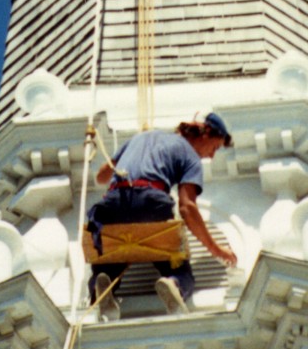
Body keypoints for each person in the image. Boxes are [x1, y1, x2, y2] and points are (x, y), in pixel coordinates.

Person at [86, 113, 237, 318]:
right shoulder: (190, 156)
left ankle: (100, 289)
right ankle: (174, 283)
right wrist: (216, 249)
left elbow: (102, 175)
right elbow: (187, 207)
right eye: (215, 147)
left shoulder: (140, 138)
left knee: (111, 260)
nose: (211, 156)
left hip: (114, 201)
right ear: (206, 133)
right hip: (150, 202)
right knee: (179, 268)